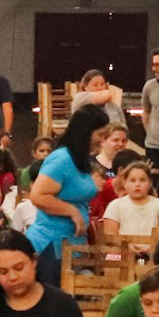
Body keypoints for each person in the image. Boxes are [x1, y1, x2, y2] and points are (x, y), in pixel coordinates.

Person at [23, 104, 108, 286]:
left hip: (71, 244)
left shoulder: (80, 159)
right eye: (100, 135)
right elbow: (37, 195)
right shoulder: (61, 159)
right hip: (51, 247)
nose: (102, 140)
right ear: (86, 132)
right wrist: (72, 211)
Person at [99, 157, 159, 241]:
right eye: (132, 180)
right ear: (125, 183)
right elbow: (110, 235)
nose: (137, 184)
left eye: (142, 180)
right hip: (122, 248)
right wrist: (128, 246)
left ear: (150, 183)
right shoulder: (115, 206)